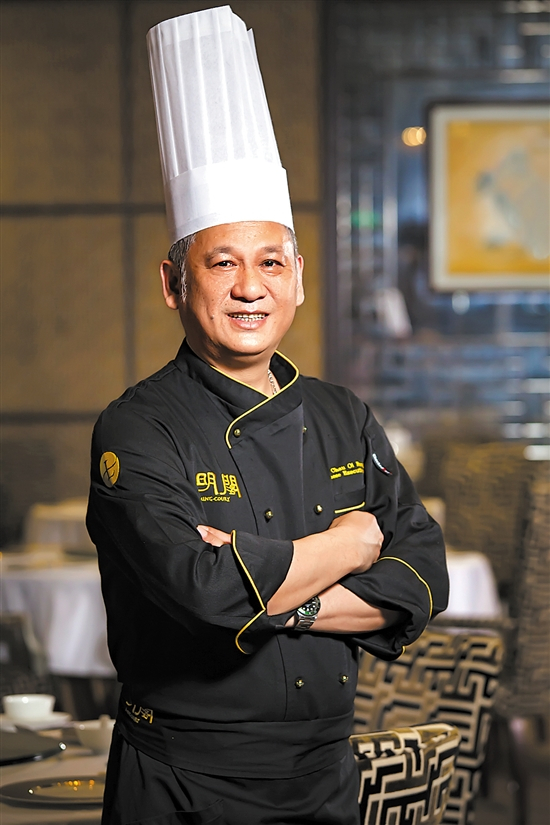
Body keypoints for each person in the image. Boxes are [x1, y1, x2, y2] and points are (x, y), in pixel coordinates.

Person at [87, 8, 448, 825]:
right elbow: (205, 592)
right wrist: (351, 544)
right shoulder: (137, 429)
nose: (251, 287)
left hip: (325, 774)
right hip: (182, 779)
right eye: (222, 263)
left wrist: (287, 594)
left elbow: (424, 577)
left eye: (271, 262)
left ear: (299, 278)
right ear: (174, 283)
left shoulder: (344, 413)